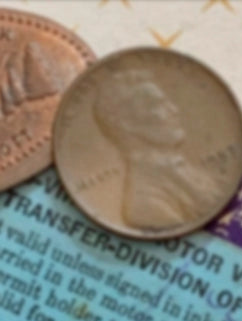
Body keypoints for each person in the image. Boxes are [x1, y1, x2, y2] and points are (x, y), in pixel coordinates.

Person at [91, 67, 224, 231]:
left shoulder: (191, 173)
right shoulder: (146, 204)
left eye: (167, 102)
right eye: (157, 105)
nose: (174, 110)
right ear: (127, 124)